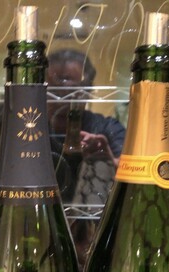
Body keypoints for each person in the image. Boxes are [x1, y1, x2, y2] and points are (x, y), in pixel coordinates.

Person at [46, 49, 126, 204]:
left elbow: (131, 174)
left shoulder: (107, 128)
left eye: (71, 92)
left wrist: (108, 161)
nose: (62, 101)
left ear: (88, 92)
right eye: (55, 92)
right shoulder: (31, 130)